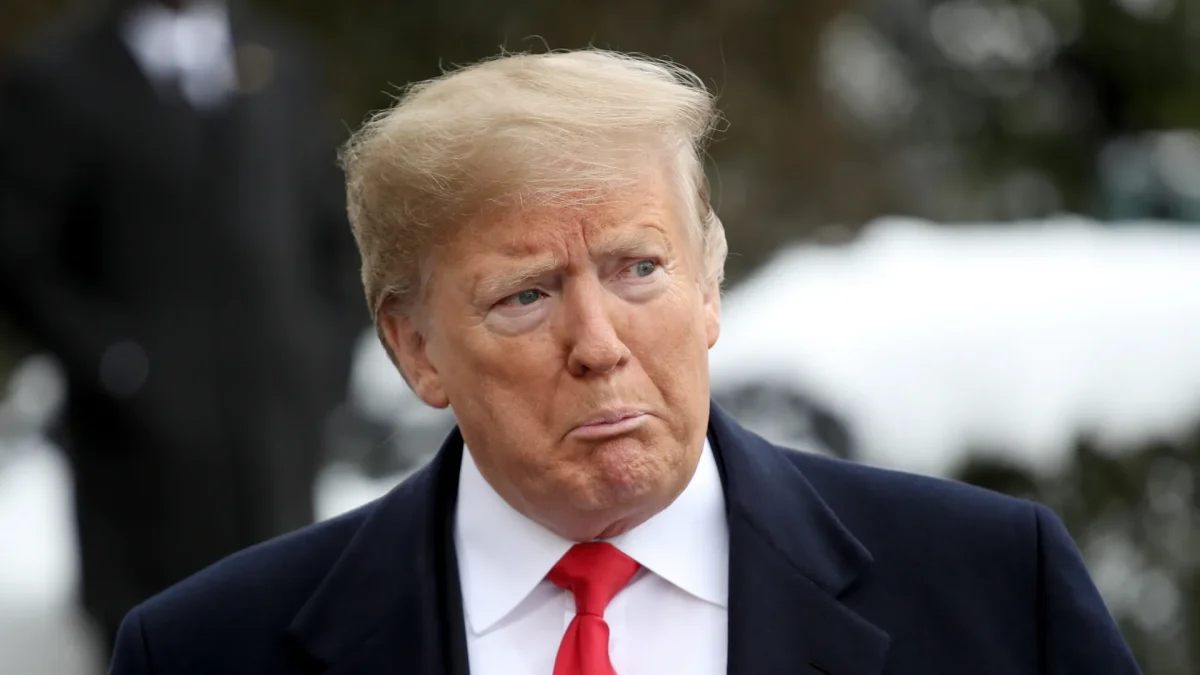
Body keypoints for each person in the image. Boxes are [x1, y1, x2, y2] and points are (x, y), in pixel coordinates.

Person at [108, 49, 1140, 674]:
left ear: (708, 287)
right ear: (417, 349)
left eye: (638, 269)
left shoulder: (993, 589)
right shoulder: (209, 657)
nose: (599, 347)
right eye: (526, 295)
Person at [0, 0, 363, 657]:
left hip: (274, 442)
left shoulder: (280, 61)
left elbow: (330, 223)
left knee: (282, 626)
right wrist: (111, 360)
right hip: (139, 461)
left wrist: (322, 357)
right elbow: (22, 255)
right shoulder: (60, 78)